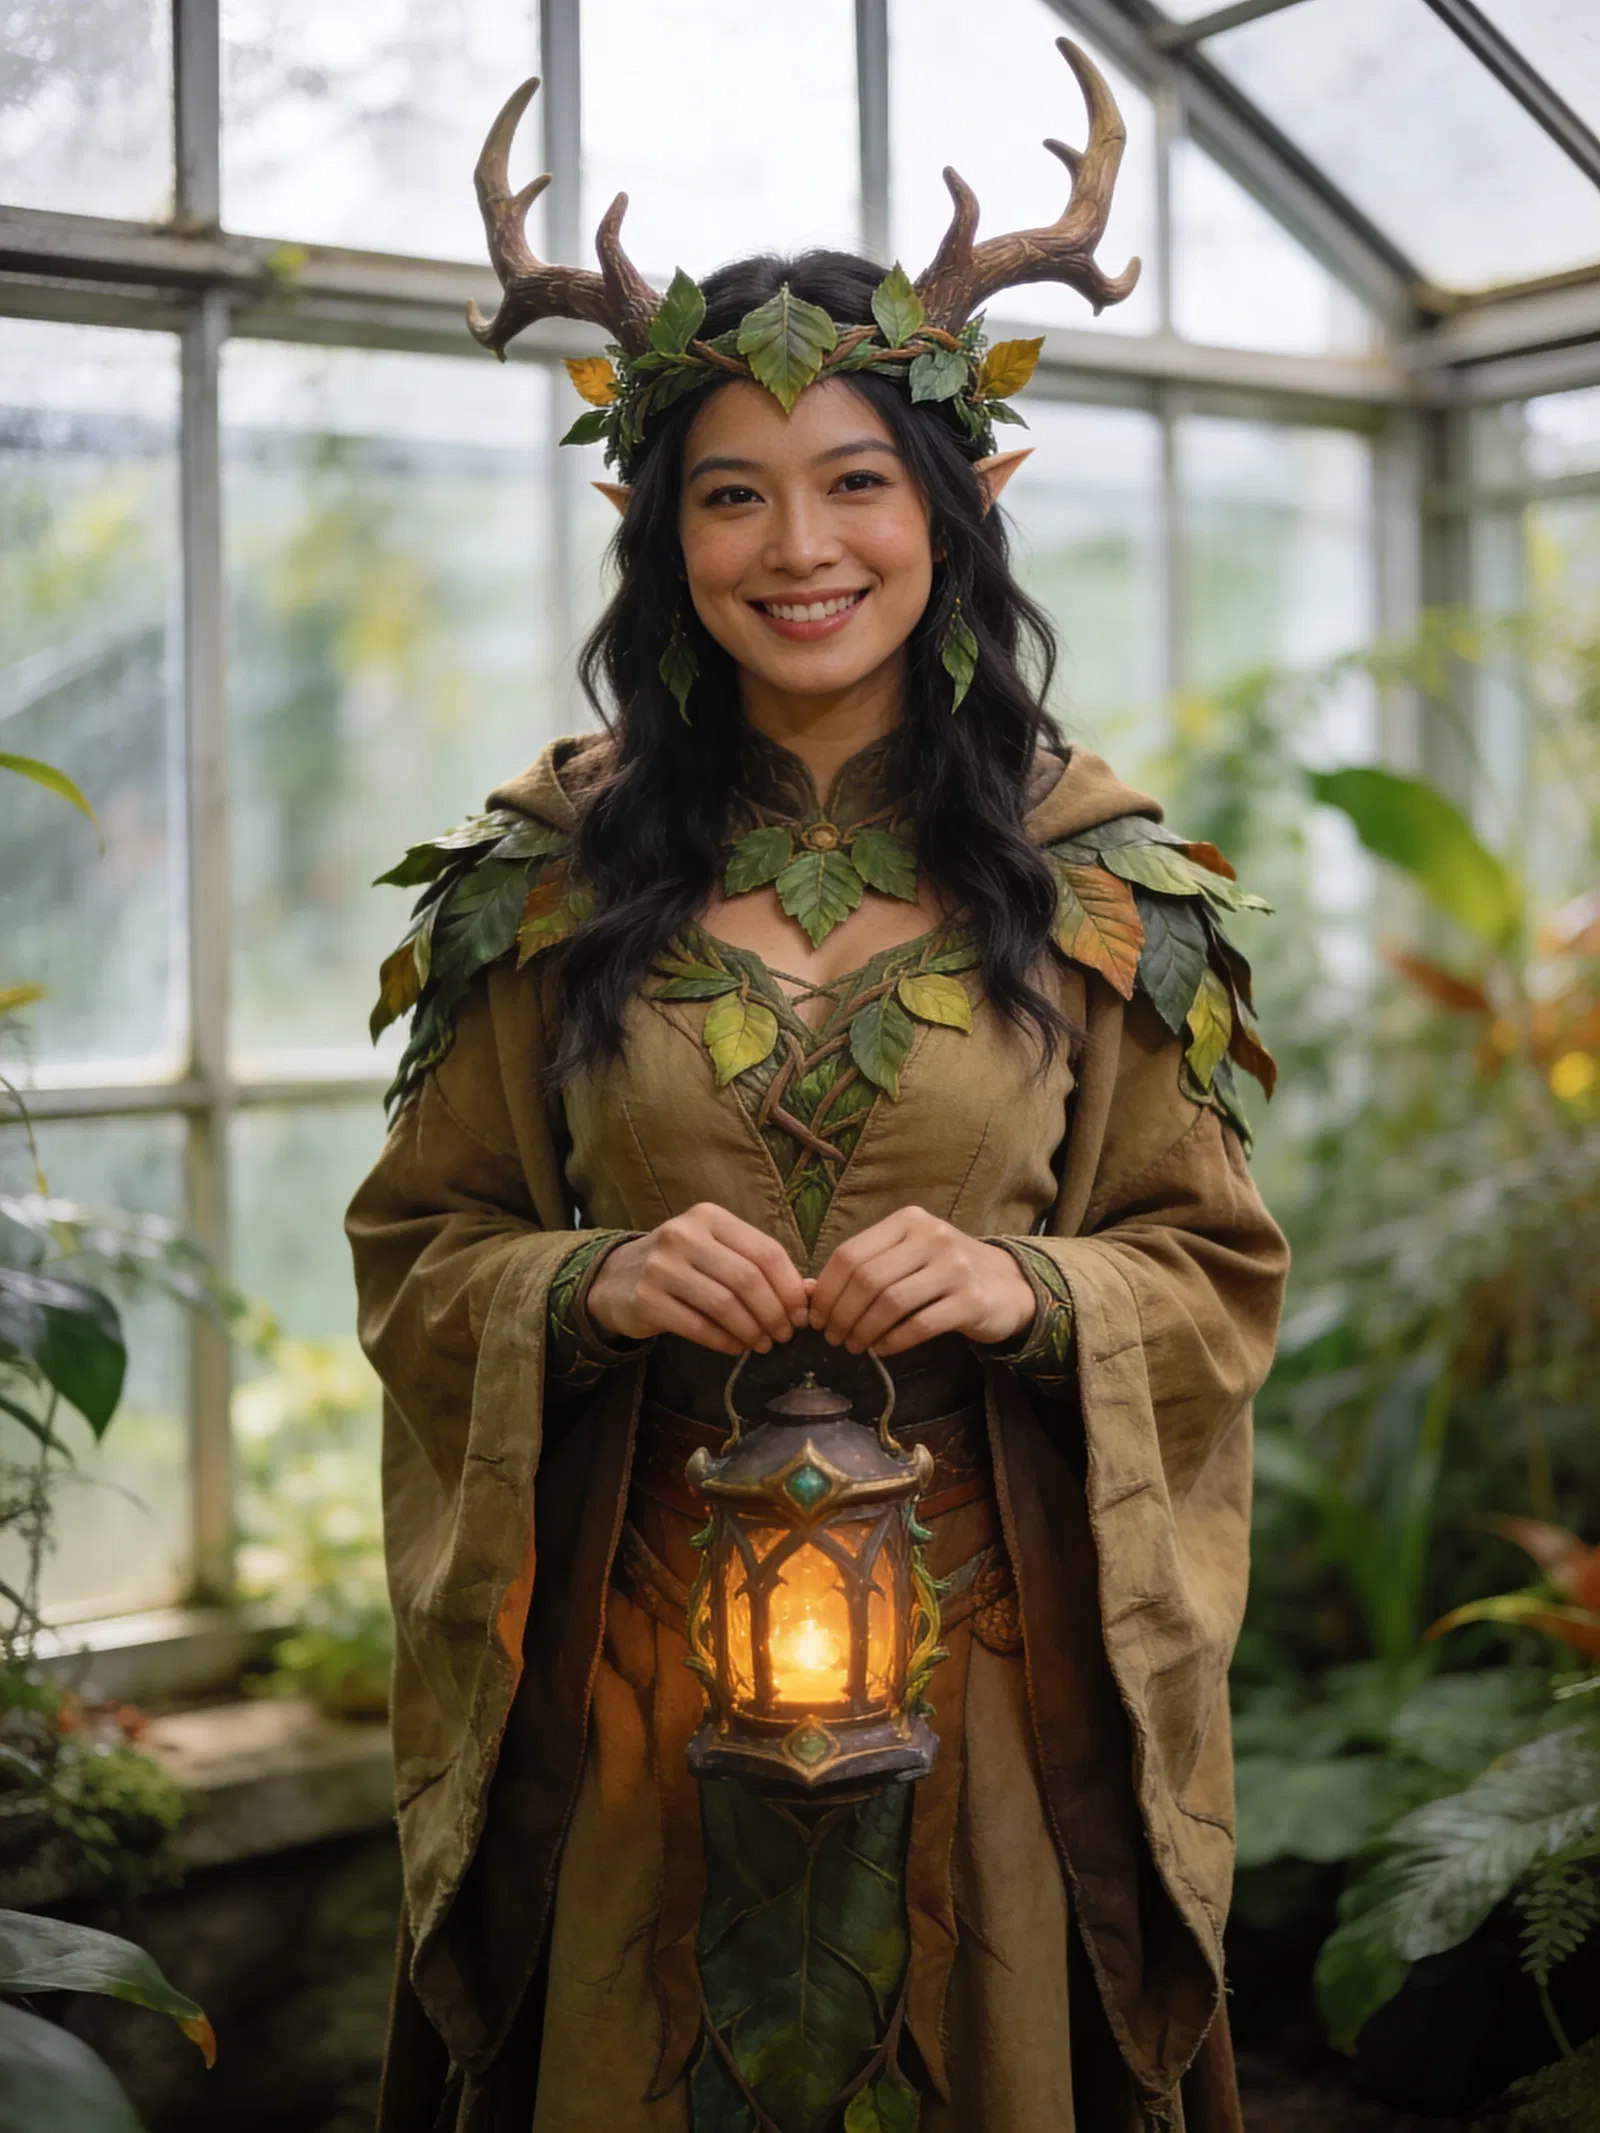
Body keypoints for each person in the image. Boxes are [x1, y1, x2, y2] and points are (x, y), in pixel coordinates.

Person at [347, 38, 1289, 2133]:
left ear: (962, 505)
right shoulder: (538, 881)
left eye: (858, 479)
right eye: (731, 490)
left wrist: (1032, 1290)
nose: (799, 545)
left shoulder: (1102, 886)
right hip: (622, 1704)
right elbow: (419, 1247)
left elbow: (1213, 1267)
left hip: (993, 1704)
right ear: (647, 523)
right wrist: (580, 1281)